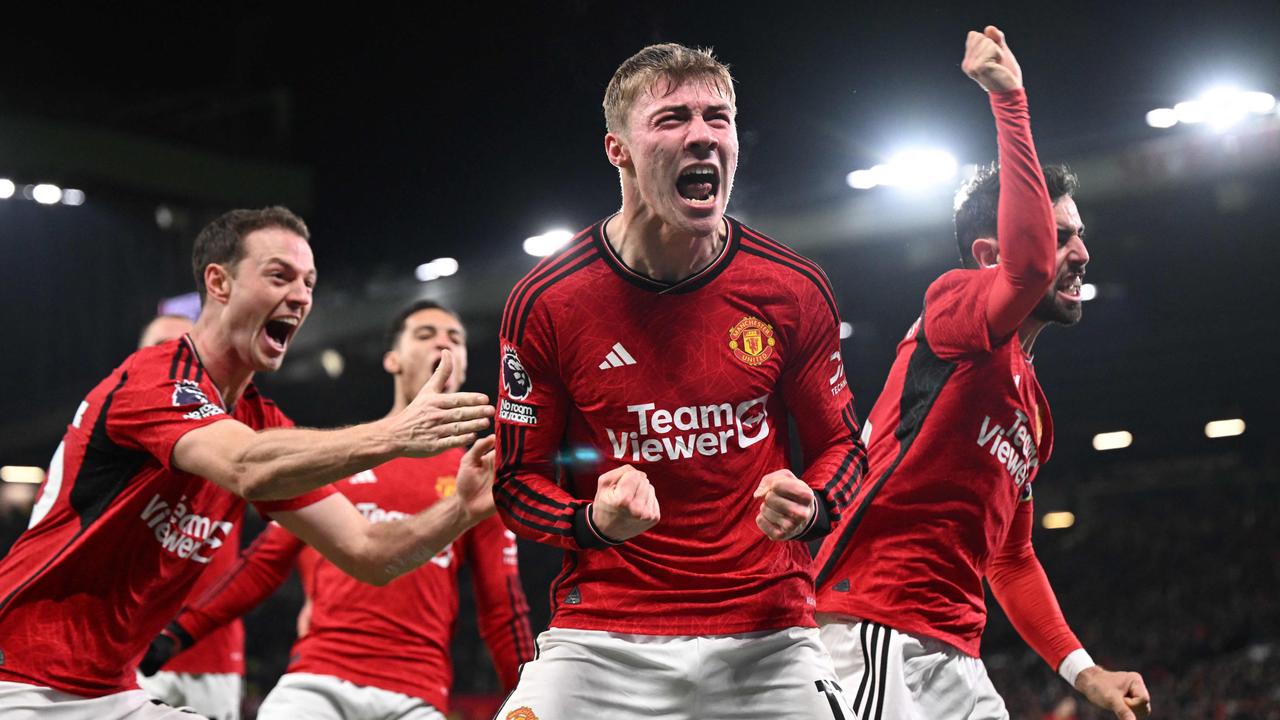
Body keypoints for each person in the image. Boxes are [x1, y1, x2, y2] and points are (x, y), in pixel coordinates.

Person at [0, 207, 494, 719]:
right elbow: (243, 466)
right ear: (219, 282)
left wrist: (461, 509)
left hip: (110, 692)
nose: (301, 296)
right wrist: (394, 434)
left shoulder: (262, 424)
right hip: (20, 680)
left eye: (309, 282)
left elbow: (367, 552)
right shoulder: (156, 377)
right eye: (280, 276)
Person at [493, 43, 866, 719]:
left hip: (770, 634)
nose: (702, 135)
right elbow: (516, 484)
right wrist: (593, 523)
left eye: (717, 118)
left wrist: (813, 506)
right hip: (605, 637)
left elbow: (846, 449)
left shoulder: (792, 288)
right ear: (619, 150)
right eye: (671, 119)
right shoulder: (546, 301)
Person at [812, 27, 1151, 720]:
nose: (1082, 252)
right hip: (873, 627)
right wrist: (1010, 102)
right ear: (989, 251)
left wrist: (1086, 674)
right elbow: (1025, 270)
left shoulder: (1033, 413)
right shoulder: (955, 304)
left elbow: (1012, 560)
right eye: (1063, 235)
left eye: (1080, 234)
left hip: (954, 656)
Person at [141, 300, 535, 720]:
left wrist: (530, 699)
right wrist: (176, 635)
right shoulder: (343, 457)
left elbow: (502, 606)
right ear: (392, 359)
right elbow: (261, 566)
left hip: (417, 694)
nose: (443, 342)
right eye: (425, 334)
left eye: (455, 337)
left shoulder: (474, 477)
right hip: (318, 680)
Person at [132, 313, 248, 720]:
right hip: (123, 650)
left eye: (182, 351)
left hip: (212, 653)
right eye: (159, 349)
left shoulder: (237, 442)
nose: (171, 361)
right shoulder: (107, 447)